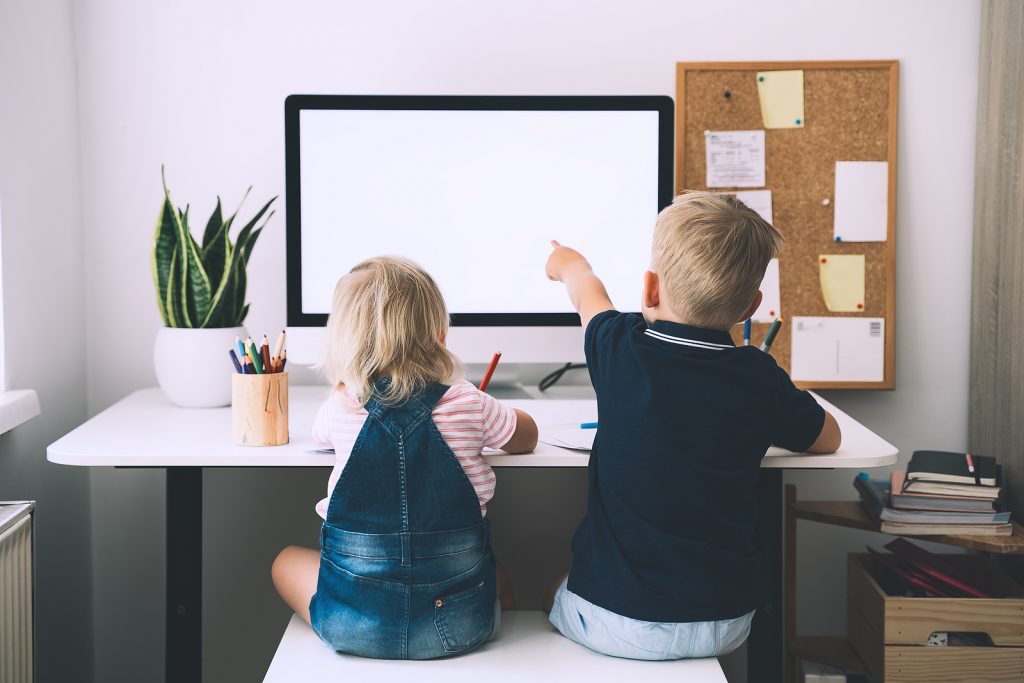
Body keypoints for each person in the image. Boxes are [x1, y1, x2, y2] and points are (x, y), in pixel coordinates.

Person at [543, 191, 841, 660]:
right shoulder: (758, 377)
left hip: (619, 623)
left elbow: (589, 296)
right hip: (725, 622)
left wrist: (569, 263)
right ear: (752, 307)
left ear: (650, 289)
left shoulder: (618, 346)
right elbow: (828, 439)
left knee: (551, 591)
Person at [272, 256, 537, 659]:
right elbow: (526, 436)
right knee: (495, 574)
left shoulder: (341, 407)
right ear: (440, 336)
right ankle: (501, 654)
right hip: (458, 627)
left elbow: (319, 436)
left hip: (353, 627)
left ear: (345, 342)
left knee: (284, 562)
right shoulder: (469, 401)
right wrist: (496, 413)